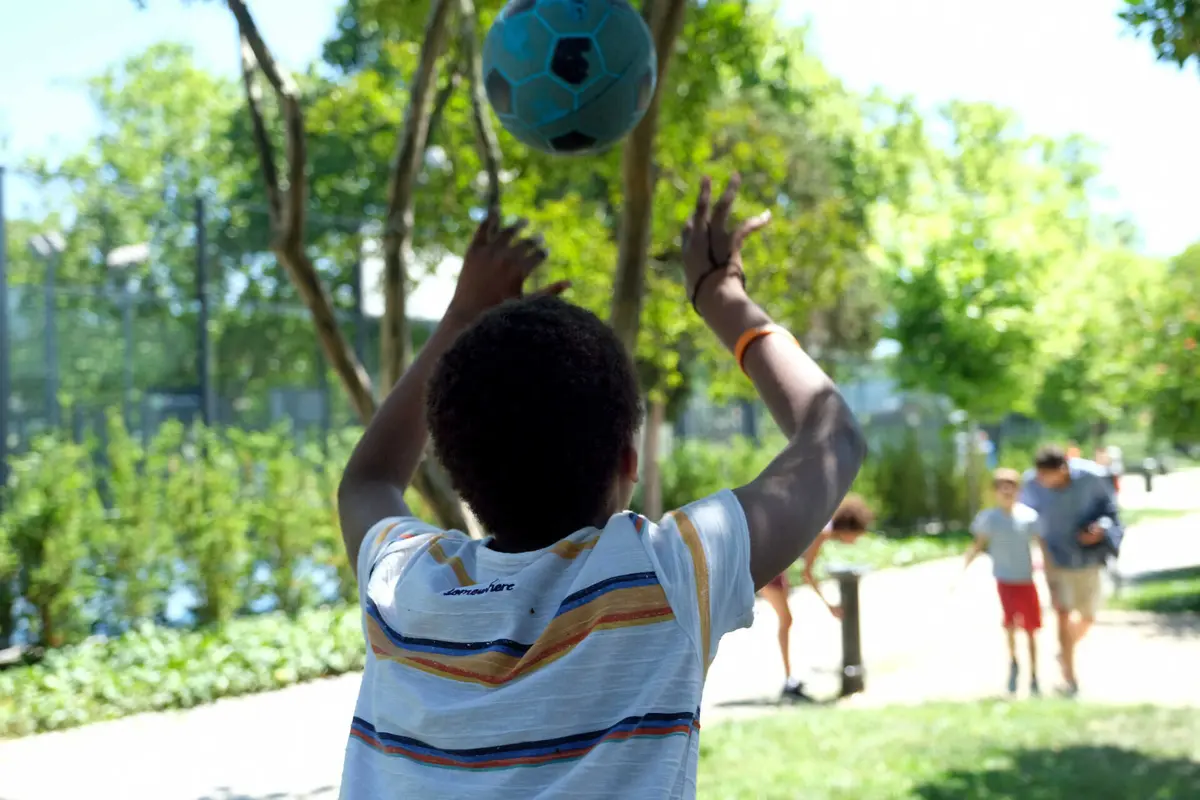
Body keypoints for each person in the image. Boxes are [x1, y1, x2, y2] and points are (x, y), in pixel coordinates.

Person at [335, 174, 866, 798]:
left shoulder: (404, 586)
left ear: (450, 463)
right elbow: (833, 437)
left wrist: (461, 315)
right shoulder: (662, 576)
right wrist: (719, 292)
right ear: (629, 460)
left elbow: (367, 480)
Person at [1020, 445, 1123, 696]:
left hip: (1088, 559)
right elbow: (1025, 518)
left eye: (1051, 477)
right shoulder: (1031, 484)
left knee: (1088, 616)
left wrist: (1100, 529)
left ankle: (1064, 653)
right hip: (1056, 561)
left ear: (1064, 467)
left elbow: (1111, 511)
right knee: (1062, 615)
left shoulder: (1092, 477)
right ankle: (1069, 677)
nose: (1046, 483)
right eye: (1042, 477)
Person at [760, 495, 873, 700]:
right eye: (856, 535)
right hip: (768, 562)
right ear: (849, 528)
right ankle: (788, 681)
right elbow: (807, 573)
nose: (855, 541)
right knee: (786, 620)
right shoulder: (823, 531)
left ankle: (789, 678)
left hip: (776, 563)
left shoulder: (823, 524)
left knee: (786, 621)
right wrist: (829, 605)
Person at [962, 468, 1042, 696]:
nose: (1006, 492)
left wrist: (1049, 571)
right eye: (1001, 487)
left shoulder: (1029, 517)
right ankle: (1014, 662)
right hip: (1005, 579)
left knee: (1032, 628)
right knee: (1010, 624)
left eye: (1011, 487)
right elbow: (978, 544)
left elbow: (1041, 545)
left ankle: (1035, 673)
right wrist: (965, 565)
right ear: (995, 491)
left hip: (1026, 579)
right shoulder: (989, 519)